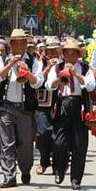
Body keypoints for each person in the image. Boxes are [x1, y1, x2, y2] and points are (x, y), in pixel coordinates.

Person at [0, 29, 43, 188]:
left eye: (22, 43)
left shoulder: (34, 60)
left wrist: (27, 73)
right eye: (15, 43)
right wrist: (10, 64)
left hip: (25, 108)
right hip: (6, 107)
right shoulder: (3, 59)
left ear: (26, 44)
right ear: (11, 45)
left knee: (26, 144)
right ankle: (9, 176)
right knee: (7, 144)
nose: (19, 46)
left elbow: (38, 82)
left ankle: (25, 170)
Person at [46, 38, 95, 190]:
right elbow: (48, 86)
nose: (70, 56)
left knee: (79, 145)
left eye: (74, 53)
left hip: (79, 105)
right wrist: (59, 79)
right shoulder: (57, 67)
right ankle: (60, 169)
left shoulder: (85, 68)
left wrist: (76, 75)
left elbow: (91, 86)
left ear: (78, 55)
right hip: (62, 104)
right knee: (59, 142)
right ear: (64, 54)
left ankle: (76, 178)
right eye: (68, 53)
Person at [35, 37, 60, 175]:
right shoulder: (39, 63)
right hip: (43, 103)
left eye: (55, 49)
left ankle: (58, 164)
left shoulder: (65, 62)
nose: (53, 52)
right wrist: (48, 67)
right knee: (43, 133)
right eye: (50, 50)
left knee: (58, 135)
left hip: (60, 101)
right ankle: (44, 161)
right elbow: (36, 81)